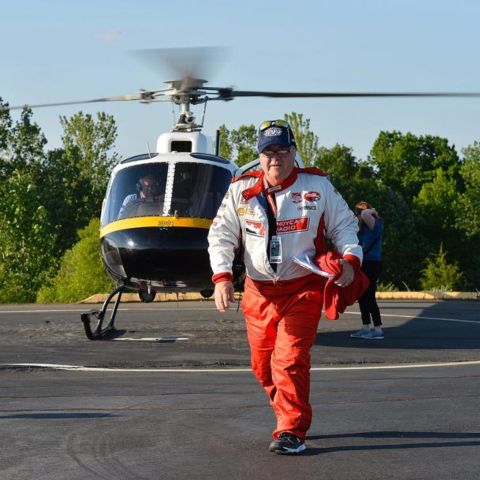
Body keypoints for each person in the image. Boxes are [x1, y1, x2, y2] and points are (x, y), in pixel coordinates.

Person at [208, 120, 363, 455]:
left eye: (281, 150)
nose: (274, 157)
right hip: (258, 292)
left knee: (289, 359)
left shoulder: (317, 185)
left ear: (294, 152)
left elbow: (345, 225)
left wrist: (351, 260)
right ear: (259, 156)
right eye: (268, 151)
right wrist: (222, 276)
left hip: (302, 288)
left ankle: (291, 430)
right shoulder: (241, 189)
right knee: (262, 366)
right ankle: (287, 409)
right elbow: (220, 234)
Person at [350, 201, 384, 339]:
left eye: (357, 213)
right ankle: (365, 327)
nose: (357, 216)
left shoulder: (375, 224)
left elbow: (364, 213)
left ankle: (378, 329)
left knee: (369, 296)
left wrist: (371, 211)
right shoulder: (363, 228)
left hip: (371, 263)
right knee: (362, 296)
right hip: (363, 263)